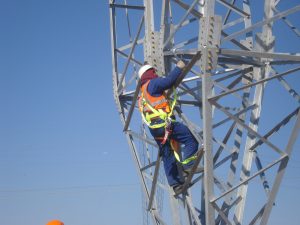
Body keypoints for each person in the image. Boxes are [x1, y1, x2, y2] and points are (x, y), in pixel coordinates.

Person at [138, 60, 201, 195]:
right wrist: (179, 67)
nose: (155, 74)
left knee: (167, 154)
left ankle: (175, 184)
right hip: (165, 124)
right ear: (150, 73)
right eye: (153, 72)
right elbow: (169, 81)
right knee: (191, 139)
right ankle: (188, 166)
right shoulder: (153, 84)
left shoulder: (142, 94)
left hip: (155, 130)